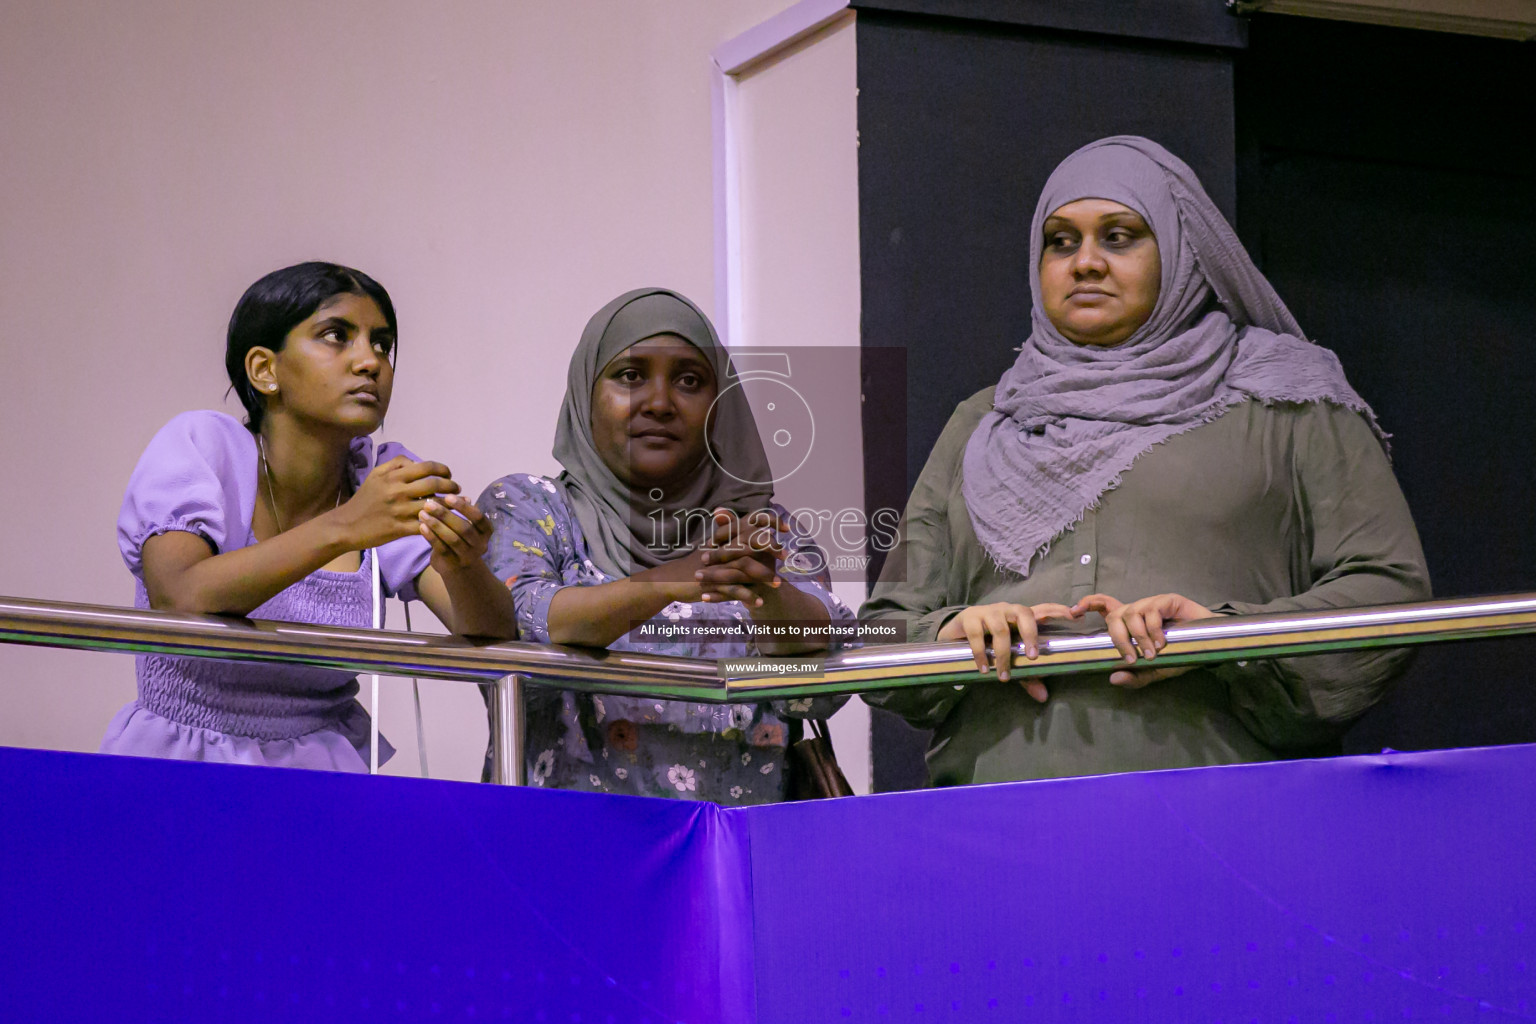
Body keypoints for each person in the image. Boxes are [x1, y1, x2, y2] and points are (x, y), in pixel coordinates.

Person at [860, 136, 1431, 786]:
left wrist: (1223, 639)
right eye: (1061, 241)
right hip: (991, 825)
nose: (1086, 263)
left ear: (1183, 250)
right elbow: (881, 632)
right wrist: (952, 631)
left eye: (1120, 235)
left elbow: (1391, 594)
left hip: (1224, 819)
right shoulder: (982, 421)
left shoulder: (1289, 398)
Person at [105, 261, 517, 771]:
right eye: (336, 336)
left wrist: (463, 567)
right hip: (178, 766)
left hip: (322, 779)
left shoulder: (381, 475)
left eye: (382, 344)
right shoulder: (202, 448)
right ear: (265, 370)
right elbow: (181, 596)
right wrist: (344, 527)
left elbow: (494, 635)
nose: (370, 361)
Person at [477, 287, 852, 802]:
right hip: (565, 855)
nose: (659, 403)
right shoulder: (532, 507)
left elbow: (821, 684)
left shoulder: (760, 528)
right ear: (585, 393)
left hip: (735, 859)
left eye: (689, 382)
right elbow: (522, 622)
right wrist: (680, 576)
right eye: (630, 377)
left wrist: (766, 590)